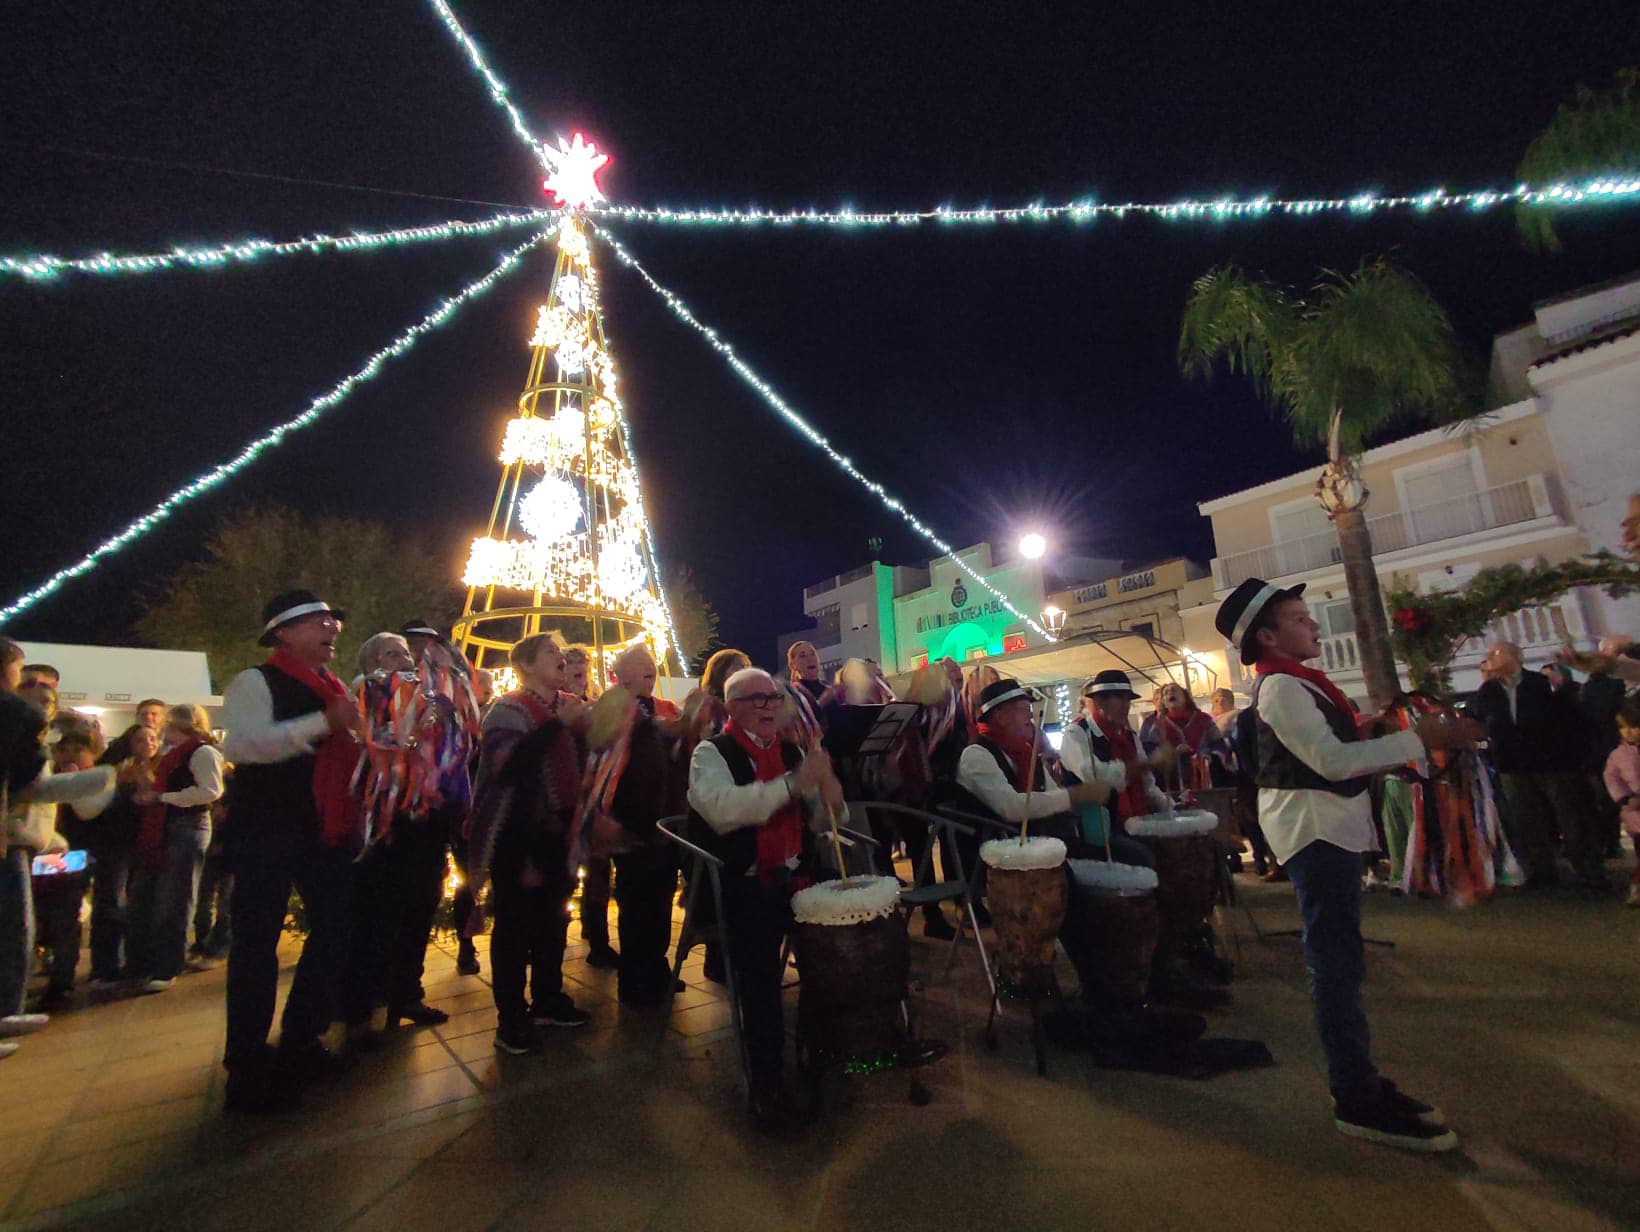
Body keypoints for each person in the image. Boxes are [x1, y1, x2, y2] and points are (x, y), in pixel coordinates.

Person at [1216, 576, 1469, 1151]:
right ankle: (1356, 1096)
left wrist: (1373, 730)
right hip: (1316, 831)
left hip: (1328, 827)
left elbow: (1332, 749)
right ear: (1268, 635)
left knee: (1341, 962)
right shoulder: (1281, 688)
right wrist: (1417, 739)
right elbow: (1330, 762)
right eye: (1300, 619)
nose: (1312, 626)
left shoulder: (1299, 684)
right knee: (1335, 965)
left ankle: (1361, 1085)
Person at [220, 590, 363, 1113]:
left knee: (335, 927)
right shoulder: (255, 681)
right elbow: (240, 746)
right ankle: (247, 1064)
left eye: (333, 622)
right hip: (267, 829)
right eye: (319, 622)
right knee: (256, 944)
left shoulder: (334, 688)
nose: (332, 629)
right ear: (283, 632)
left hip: (323, 828)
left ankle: (302, 1037)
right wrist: (324, 723)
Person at [686, 667, 844, 1127]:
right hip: (744, 880)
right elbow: (727, 811)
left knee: (842, 941)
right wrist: (796, 785)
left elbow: (823, 817)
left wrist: (829, 796)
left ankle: (820, 1047)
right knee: (759, 974)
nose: (770, 706)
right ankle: (768, 1083)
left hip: (794, 874)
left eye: (774, 698)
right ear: (732, 707)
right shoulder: (710, 753)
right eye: (757, 699)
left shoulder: (793, 750)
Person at [467, 633, 590, 1055]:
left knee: (554, 921)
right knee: (515, 928)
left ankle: (548, 998)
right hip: (517, 836)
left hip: (558, 833)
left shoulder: (566, 706)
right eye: (551, 653)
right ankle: (511, 1018)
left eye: (560, 651)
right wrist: (562, 725)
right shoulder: (507, 710)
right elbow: (511, 767)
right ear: (524, 666)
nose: (561, 657)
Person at [1470, 640, 1601, 890]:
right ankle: (1542, 871)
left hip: (1550, 761)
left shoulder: (1540, 684)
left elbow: (1566, 715)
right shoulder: (1488, 691)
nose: (1490, 659)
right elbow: (1482, 721)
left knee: (1569, 816)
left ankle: (1588, 870)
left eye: (1495, 654)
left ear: (1515, 657)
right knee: (1528, 820)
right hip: (1513, 764)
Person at [604, 644, 683, 1006]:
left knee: (661, 895)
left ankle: (658, 965)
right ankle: (634, 978)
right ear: (621, 676)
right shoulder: (612, 708)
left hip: (664, 819)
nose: (650, 670)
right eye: (640, 666)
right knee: (636, 900)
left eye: (651, 665)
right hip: (631, 818)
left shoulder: (662, 707)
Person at [125, 705, 224, 994]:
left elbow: (211, 791)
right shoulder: (176, 755)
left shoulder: (201, 752)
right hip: (170, 824)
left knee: (176, 898)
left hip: (187, 824)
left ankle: (167, 965)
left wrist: (162, 797)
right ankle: (146, 962)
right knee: (152, 896)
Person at [88, 724, 157, 987]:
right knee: (111, 902)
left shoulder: (161, 767)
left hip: (144, 844)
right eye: (141, 739)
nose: (148, 744)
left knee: (140, 905)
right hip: (115, 843)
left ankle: (138, 962)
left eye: (152, 738)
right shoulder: (114, 769)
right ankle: (105, 966)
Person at [1602, 696, 1640, 908]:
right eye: (1624, 728)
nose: (1628, 732)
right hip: (1635, 814)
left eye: (1634, 727)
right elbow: (1612, 778)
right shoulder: (1619, 755)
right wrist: (1624, 799)